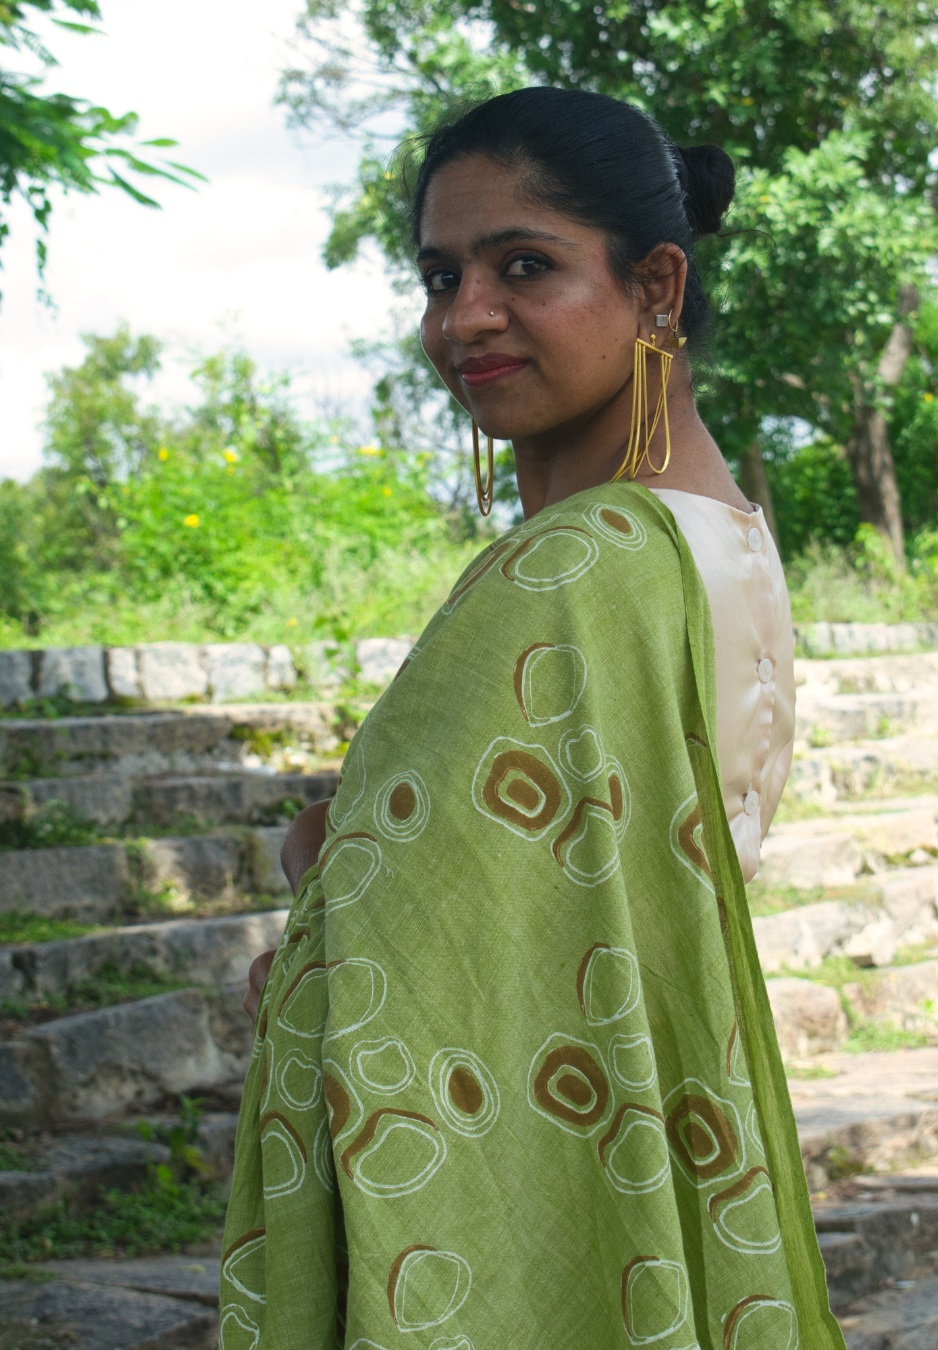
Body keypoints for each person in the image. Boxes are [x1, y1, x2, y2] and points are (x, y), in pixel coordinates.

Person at [220, 87, 843, 1350]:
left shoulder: (584, 564)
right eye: (440, 275)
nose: (466, 317)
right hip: (632, 1153)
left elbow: (388, 946)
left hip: (517, 1202)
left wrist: (315, 862)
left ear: (655, 285)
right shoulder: (718, 538)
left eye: (525, 265)